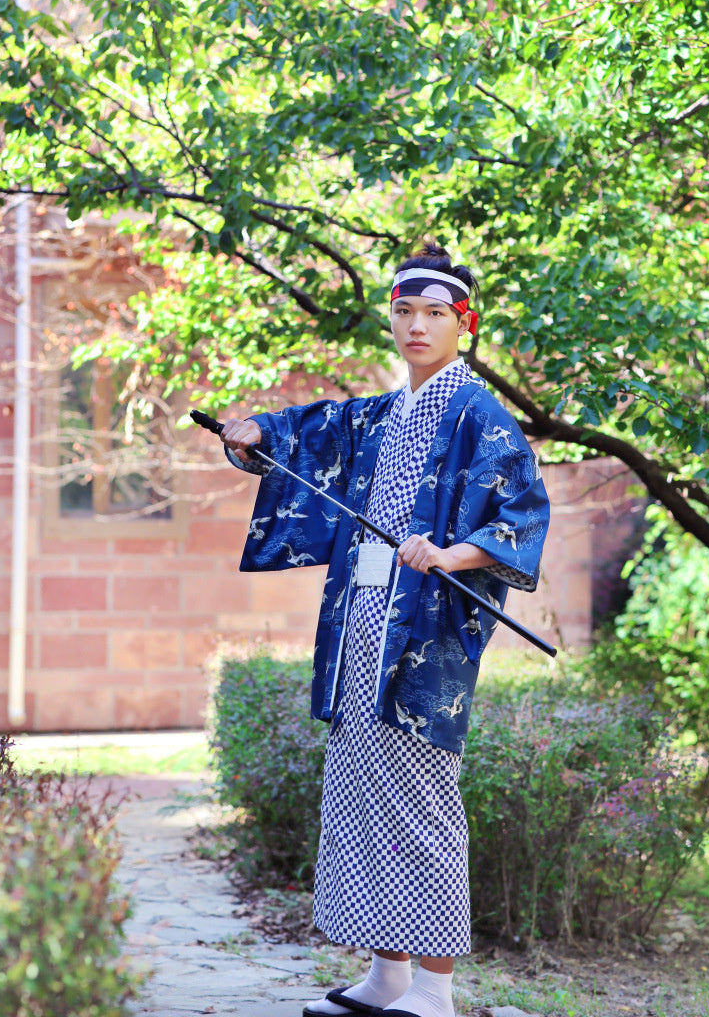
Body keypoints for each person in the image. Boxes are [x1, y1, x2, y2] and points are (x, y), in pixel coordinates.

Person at [220, 240, 549, 1017]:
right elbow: (315, 432)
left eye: (435, 313)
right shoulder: (384, 410)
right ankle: (389, 972)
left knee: (420, 794)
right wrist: (258, 432)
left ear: (463, 324)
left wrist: (449, 551)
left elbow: (523, 515)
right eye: (404, 311)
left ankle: (434, 985)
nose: (417, 326)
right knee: (363, 788)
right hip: (360, 616)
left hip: (427, 626)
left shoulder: (480, 414)